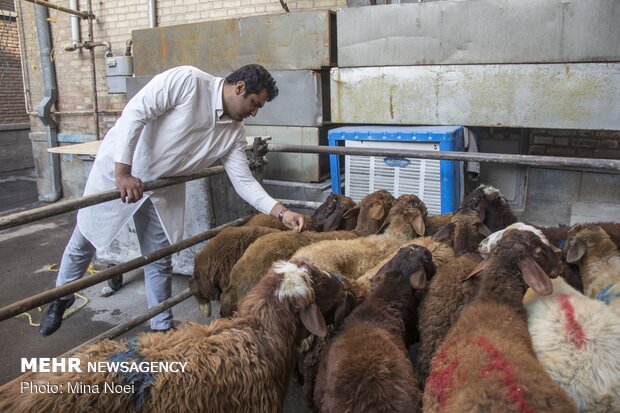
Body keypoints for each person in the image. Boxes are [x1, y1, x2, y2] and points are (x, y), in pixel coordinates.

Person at [39, 64, 305, 336]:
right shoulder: (188, 81)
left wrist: (282, 213)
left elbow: (244, 181)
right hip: (123, 168)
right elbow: (135, 113)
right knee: (86, 236)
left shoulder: (234, 133)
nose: (254, 111)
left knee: (159, 256)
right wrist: (123, 173)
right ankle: (61, 297)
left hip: (162, 188)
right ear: (239, 88)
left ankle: (161, 326)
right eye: (254, 103)